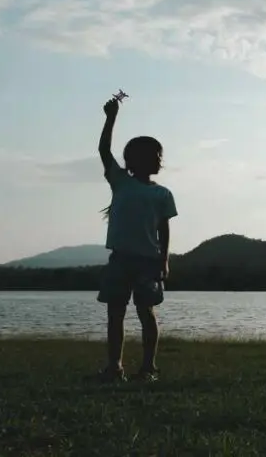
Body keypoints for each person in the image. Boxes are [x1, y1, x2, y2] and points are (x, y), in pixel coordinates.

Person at [95, 96, 177, 382]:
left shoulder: (162, 194)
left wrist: (164, 260)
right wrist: (111, 117)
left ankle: (148, 368)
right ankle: (114, 367)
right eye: (155, 154)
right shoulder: (121, 182)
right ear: (135, 160)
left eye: (160, 155)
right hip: (120, 259)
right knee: (115, 314)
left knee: (147, 313)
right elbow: (104, 149)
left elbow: (164, 230)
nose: (159, 160)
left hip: (148, 262)